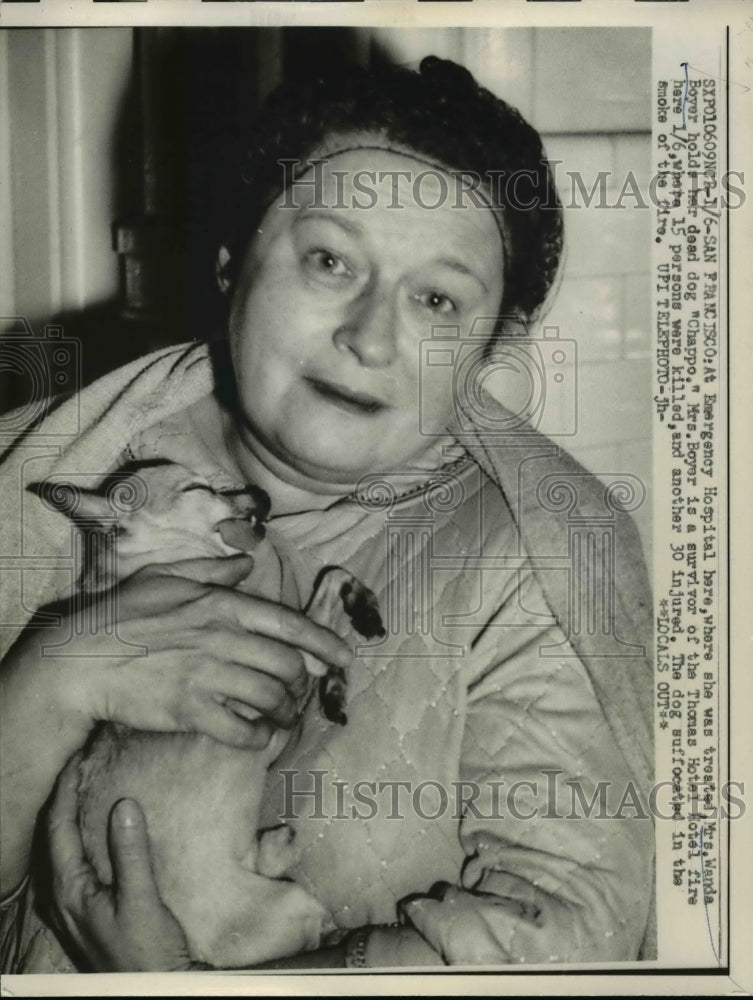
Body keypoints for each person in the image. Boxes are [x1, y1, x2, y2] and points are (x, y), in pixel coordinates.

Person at [0, 56, 655, 972]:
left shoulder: (541, 556)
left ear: (490, 347)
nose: (367, 336)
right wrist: (42, 690)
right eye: (329, 260)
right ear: (231, 259)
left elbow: (566, 939)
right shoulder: (35, 471)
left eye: (434, 300)